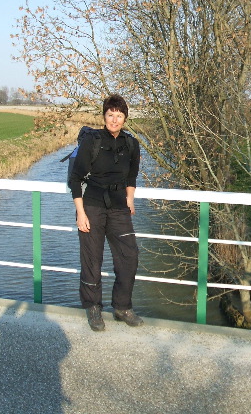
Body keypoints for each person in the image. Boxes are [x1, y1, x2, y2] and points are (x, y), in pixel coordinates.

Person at [69, 94, 143, 331]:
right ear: (104, 116)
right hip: (92, 205)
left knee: (129, 256)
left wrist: (129, 199)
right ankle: (93, 307)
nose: (114, 119)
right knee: (92, 259)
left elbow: (131, 176)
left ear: (125, 118)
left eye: (119, 115)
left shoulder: (131, 144)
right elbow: (76, 179)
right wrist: (80, 213)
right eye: (110, 114)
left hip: (119, 207)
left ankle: (122, 307)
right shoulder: (93, 141)